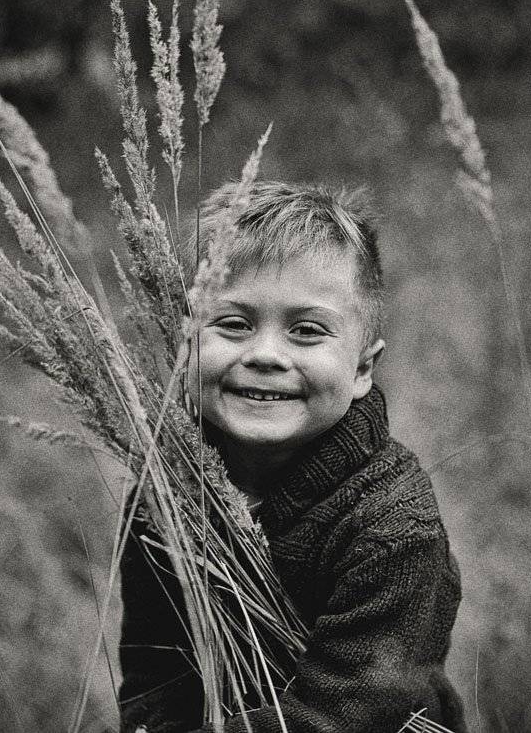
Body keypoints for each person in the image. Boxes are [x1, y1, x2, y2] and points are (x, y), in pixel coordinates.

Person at [118, 181, 467, 733]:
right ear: (185, 341)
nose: (265, 355)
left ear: (362, 369)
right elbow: (154, 674)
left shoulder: (394, 530)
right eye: (233, 323)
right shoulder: (165, 495)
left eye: (306, 331)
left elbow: (348, 716)